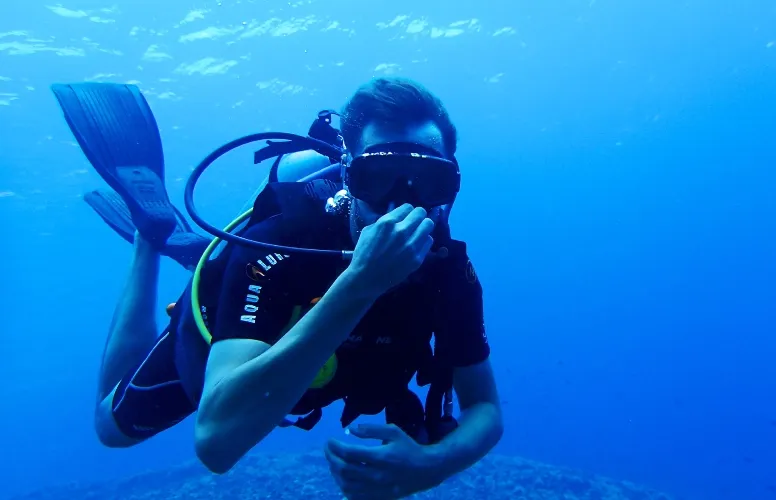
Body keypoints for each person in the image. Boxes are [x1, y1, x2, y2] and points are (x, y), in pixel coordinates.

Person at [52, 77, 503, 499]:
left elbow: (484, 407)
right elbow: (216, 444)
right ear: (348, 175)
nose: (401, 202)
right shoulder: (280, 244)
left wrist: (433, 464)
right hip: (239, 310)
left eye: (428, 181)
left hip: (311, 362)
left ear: (451, 184)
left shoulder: (447, 271)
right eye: (378, 178)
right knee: (109, 430)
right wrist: (361, 284)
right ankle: (149, 237)